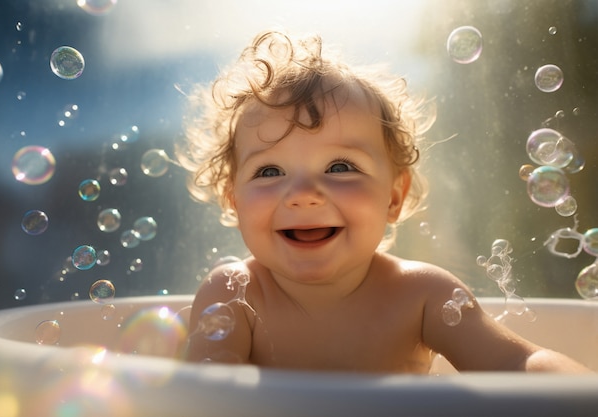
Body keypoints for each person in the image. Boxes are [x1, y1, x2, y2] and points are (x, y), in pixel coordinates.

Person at [178, 30, 591, 373]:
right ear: (233, 201)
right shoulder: (235, 294)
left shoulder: (423, 295)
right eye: (269, 172)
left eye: (340, 167)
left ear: (394, 197)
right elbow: (206, 398)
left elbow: (520, 364)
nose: (303, 194)